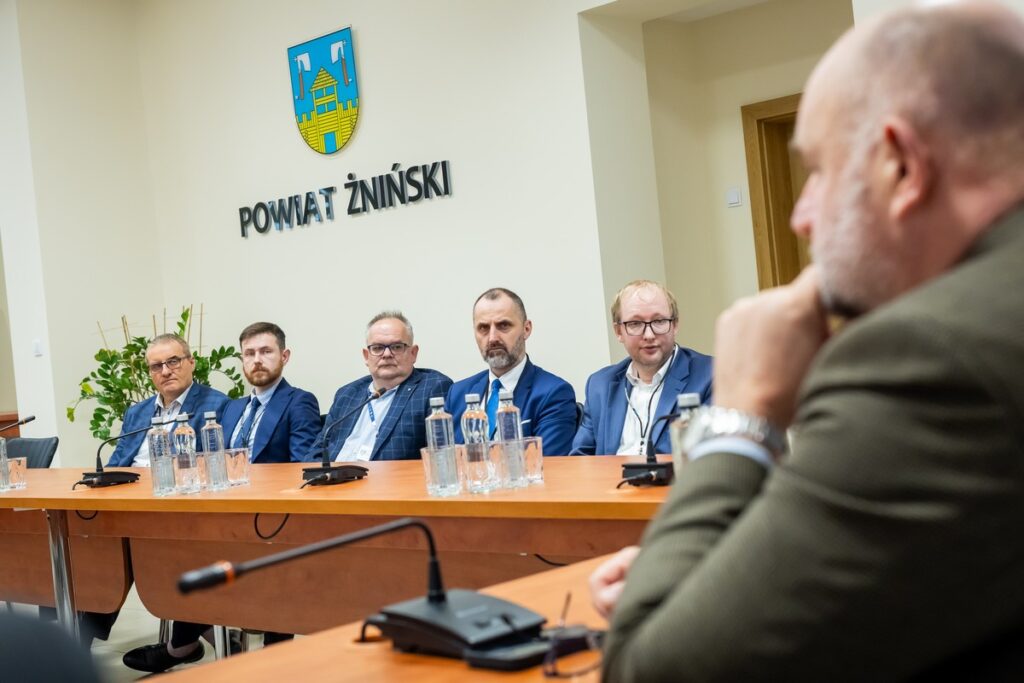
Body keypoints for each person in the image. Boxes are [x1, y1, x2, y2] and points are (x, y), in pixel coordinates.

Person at [594, 2, 1024, 680]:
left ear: (903, 167)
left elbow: (658, 668)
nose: (799, 217)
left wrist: (741, 414)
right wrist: (730, 567)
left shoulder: (930, 355)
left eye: (820, 171)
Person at [122, 322, 320, 673]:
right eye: (249, 354)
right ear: (242, 361)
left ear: (284, 357)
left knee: (217, 557)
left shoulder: (299, 401)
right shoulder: (232, 408)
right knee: (185, 553)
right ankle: (195, 644)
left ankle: (242, 656)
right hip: (223, 511)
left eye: (266, 352)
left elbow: (302, 466)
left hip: (270, 519)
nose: (257, 360)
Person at [571, 280, 712, 456]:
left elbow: (712, 459)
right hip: (610, 482)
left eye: (659, 321)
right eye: (635, 324)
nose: (649, 335)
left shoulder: (710, 376)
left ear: (675, 324)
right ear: (618, 332)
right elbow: (581, 458)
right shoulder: (600, 385)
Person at [445, 287, 577, 455]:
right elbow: (446, 464)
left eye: (503, 325)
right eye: (483, 328)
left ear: (526, 329)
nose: (492, 338)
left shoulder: (553, 393)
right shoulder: (457, 393)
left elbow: (547, 465)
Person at [312, 311, 451, 461]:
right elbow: (316, 452)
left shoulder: (432, 388)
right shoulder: (347, 393)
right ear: (366, 356)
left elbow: (441, 458)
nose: (386, 354)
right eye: (377, 348)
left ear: (413, 353)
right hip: (332, 481)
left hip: (389, 482)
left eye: (397, 347)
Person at [107, 333, 229, 466]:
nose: (165, 372)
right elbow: (115, 464)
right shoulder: (135, 413)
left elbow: (216, 465)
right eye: (156, 366)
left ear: (192, 363)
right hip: (129, 484)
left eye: (173, 362)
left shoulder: (217, 405)